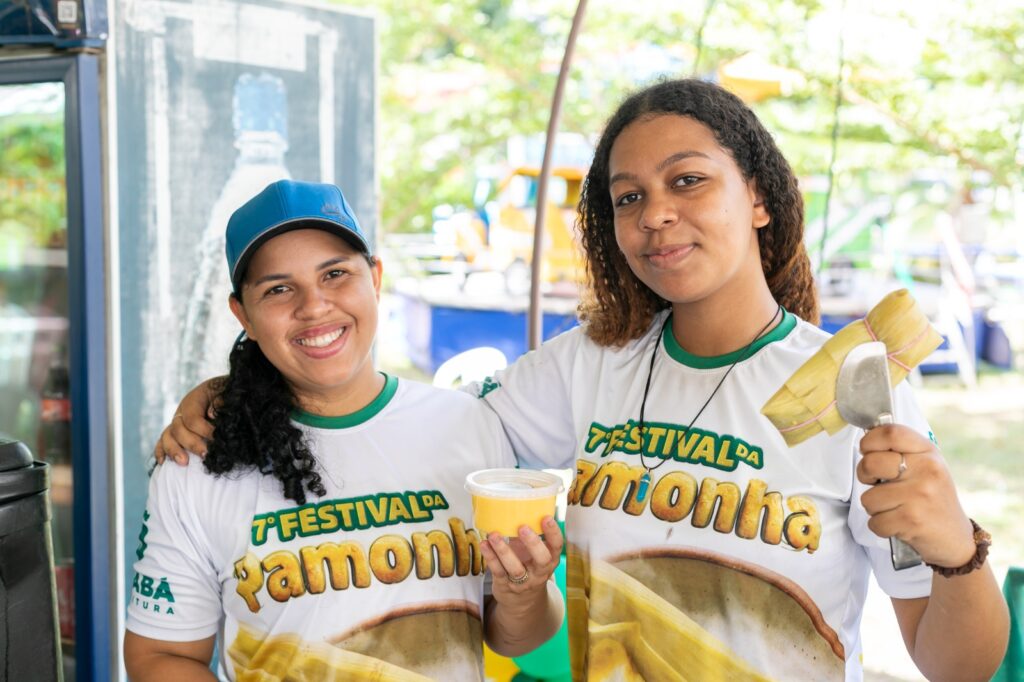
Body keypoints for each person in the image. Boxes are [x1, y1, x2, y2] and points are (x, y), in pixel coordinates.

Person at [158, 82, 1009, 681]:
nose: (655, 214)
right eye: (626, 197)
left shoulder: (856, 386)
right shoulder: (586, 367)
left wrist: (959, 555)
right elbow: (412, 428)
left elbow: (957, 667)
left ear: (757, 196)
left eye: (687, 180)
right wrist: (233, 395)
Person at [124, 180, 564, 681]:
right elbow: (159, 656)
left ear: (374, 279)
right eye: (279, 289)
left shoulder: (468, 424)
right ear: (242, 314)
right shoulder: (199, 462)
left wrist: (525, 592)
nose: (314, 306)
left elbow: (514, 634)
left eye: (335, 273)